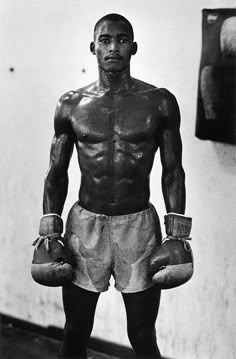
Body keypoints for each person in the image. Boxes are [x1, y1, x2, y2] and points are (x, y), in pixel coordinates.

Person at [32, 13, 193, 359]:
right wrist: (50, 227)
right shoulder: (71, 104)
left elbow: (173, 170)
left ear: (133, 47)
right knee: (75, 331)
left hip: (138, 227)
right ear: (93, 47)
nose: (113, 47)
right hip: (85, 226)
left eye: (121, 40)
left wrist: (176, 234)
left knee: (142, 334)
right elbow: (56, 172)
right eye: (105, 40)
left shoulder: (159, 102)